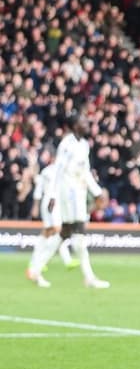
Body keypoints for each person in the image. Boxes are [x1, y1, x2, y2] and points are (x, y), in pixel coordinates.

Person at [27, 115, 110, 289]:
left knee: (64, 234)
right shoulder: (67, 144)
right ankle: (89, 278)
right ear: (74, 125)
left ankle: (35, 269)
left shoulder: (84, 145)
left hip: (79, 193)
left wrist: (96, 191)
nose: (87, 124)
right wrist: (52, 195)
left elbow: (86, 171)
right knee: (78, 232)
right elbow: (58, 170)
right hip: (68, 193)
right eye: (83, 122)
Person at [26, 156, 76, 288]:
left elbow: (38, 189)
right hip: (53, 203)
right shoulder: (58, 171)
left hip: (48, 202)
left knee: (47, 233)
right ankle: (40, 266)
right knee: (58, 232)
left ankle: (34, 264)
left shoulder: (46, 171)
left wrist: (36, 205)